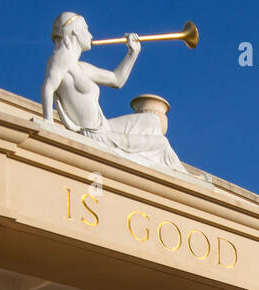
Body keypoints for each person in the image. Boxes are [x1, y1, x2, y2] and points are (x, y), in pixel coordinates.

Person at [41, 13, 188, 174]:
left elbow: (116, 80)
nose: (90, 35)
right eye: (86, 29)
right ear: (75, 31)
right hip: (98, 136)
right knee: (161, 143)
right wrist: (48, 122)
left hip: (105, 127)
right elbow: (48, 87)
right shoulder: (62, 57)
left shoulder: (81, 67)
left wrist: (132, 53)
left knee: (152, 121)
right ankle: (187, 182)